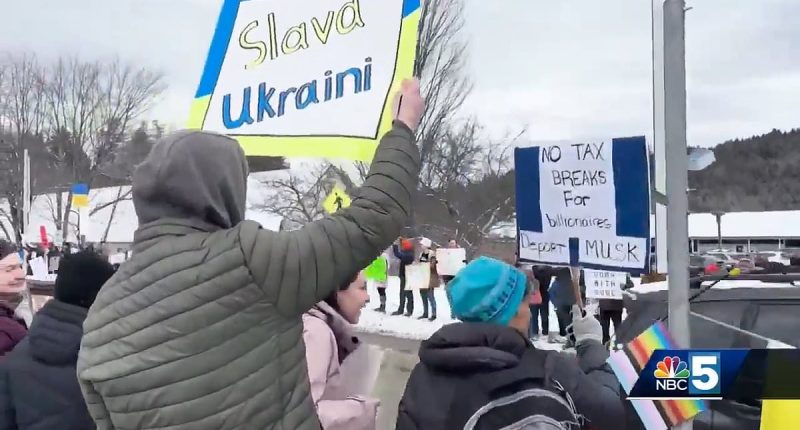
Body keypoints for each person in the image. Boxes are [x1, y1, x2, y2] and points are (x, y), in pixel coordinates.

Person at [76, 78, 424, 430]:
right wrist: (403, 128)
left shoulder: (100, 318)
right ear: (226, 190)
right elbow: (373, 216)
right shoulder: (250, 260)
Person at [396, 257, 624, 430]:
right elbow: (611, 413)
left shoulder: (423, 375)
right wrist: (590, 345)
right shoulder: (550, 370)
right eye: (525, 303)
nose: (530, 312)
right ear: (512, 310)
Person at [0, 251, 115, 430]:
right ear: (103, 295)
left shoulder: (15, 358)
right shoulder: (114, 355)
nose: (20, 274)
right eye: (9, 269)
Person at [302, 272, 379, 430]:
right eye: (362, 288)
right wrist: (363, 411)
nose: (367, 297)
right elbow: (304, 414)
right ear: (336, 291)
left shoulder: (317, 325)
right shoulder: (316, 331)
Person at [598, 274, 634, 346]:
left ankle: (614, 345)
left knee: (613, 328)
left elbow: (631, 284)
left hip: (612, 305)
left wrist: (624, 286)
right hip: (609, 305)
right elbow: (630, 284)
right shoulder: (617, 272)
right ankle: (612, 345)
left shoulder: (603, 273)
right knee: (607, 329)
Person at [391, 238, 416, 317]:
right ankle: (404, 310)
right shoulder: (409, 253)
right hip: (405, 276)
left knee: (407, 294)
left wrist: (395, 245)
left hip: (407, 276)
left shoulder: (409, 255)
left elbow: (398, 254)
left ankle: (407, 310)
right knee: (404, 293)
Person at [530, 265, 554, 341]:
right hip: (542, 296)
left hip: (534, 296)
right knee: (543, 316)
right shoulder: (549, 269)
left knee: (535, 316)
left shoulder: (534, 269)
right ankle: (544, 332)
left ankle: (536, 333)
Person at [418, 244, 438, 321]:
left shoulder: (432, 254)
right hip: (422, 277)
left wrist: (426, 265)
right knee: (423, 295)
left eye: (422, 244)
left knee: (430, 296)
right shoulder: (421, 254)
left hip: (430, 277)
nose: (421, 246)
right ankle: (425, 313)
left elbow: (433, 265)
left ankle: (434, 314)